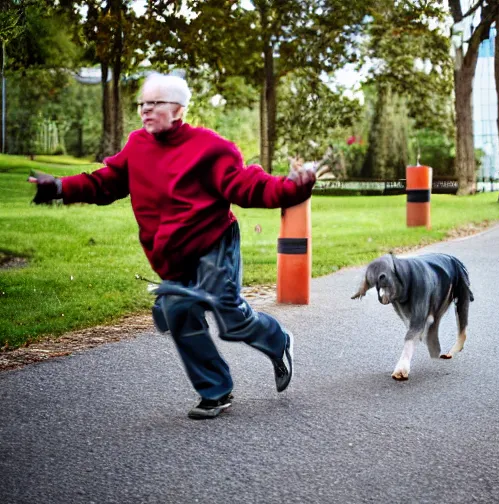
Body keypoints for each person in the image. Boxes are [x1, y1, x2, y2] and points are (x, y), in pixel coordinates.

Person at [29, 72, 316, 420]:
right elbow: (106, 182)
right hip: (172, 253)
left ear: (179, 109)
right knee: (177, 310)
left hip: (213, 242)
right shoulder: (137, 146)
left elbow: (247, 186)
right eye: (143, 104)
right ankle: (216, 391)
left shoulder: (210, 148)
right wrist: (59, 186)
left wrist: (293, 188)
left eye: (156, 104)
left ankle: (278, 340)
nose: (146, 110)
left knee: (229, 317)